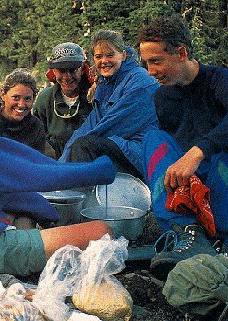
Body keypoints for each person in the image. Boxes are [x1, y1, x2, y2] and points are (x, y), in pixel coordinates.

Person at [0, 62, 117, 284]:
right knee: (101, 230)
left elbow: (4, 187)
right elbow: (37, 174)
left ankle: (28, 265)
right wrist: (102, 169)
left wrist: (45, 211)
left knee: (25, 215)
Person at [138, 15, 228, 279]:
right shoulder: (162, 96)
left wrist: (199, 151)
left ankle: (220, 235)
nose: (151, 71)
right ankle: (189, 234)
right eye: (146, 64)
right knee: (152, 140)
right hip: (193, 192)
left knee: (221, 152)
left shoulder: (219, 80)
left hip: (222, 180)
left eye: (156, 61)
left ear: (181, 53)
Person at [59, 30, 159, 179]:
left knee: (84, 146)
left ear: (123, 55)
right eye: (98, 57)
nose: (104, 61)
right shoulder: (106, 84)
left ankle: (77, 196)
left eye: (110, 55)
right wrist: (59, 166)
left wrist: (68, 165)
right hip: (118, 144)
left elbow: (112, 126)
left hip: (141, 153)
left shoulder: (140, 81)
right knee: (73, 140)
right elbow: (90, 125)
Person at [34, 42, 94, 159]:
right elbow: (36, 137)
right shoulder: (45, 100)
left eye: (72, 70)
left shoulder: (94, 97)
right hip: (54, 166)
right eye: (61, 70)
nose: (67, 77)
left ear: (82, 70)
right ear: (54, 72)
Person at [0, 68, 46, 153]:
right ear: (3, 94)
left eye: (27, 99)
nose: (21, 104)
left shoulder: (36, 127)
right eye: (16, 97)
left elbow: (37, 163)